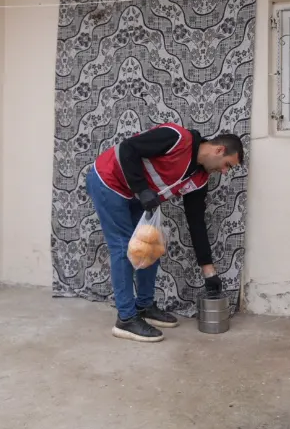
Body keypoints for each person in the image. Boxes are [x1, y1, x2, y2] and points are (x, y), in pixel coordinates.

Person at [85, 122, 244, 342]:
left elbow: (196, 223)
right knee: (123, 248)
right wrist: (142, 189)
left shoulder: (200, 179)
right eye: (227, 165)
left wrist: (209, 272)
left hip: (135, 194)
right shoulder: (177, 138)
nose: (224, 172)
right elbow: (127, 148)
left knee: (151, 246)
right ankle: (126, 319)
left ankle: (144, 306)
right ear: (219, 150)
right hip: (109, 180)